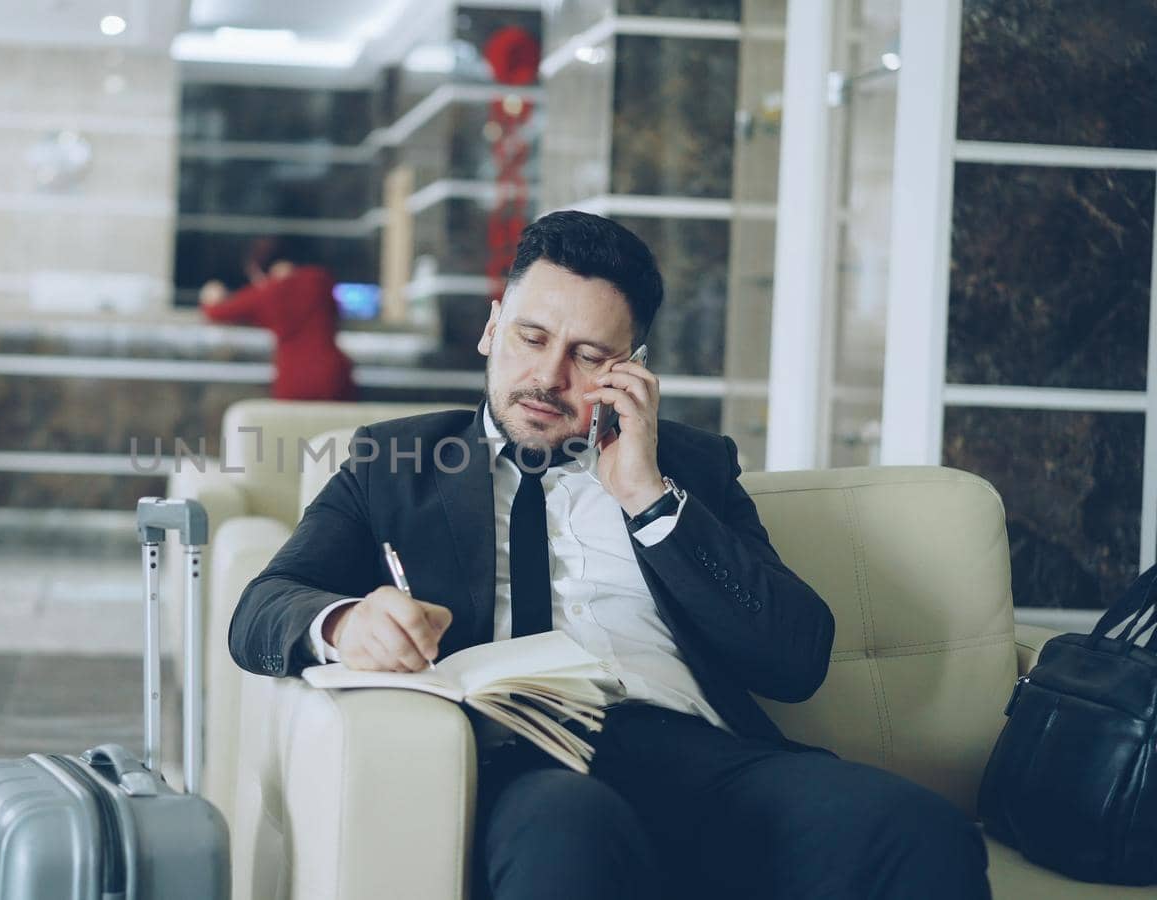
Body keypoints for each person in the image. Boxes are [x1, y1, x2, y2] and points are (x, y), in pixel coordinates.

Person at [228, 211, 990, 899]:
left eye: (589, 356)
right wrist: (344, 622)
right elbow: (262, 608)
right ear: (493, 328)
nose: (550, 377)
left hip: (702, 759)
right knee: (570, 832)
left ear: (631, 368)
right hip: (526, 766)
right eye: (532, 338)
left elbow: (795, 660)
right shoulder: (395, 461)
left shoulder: (688, 468)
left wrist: (649, 500)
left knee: (917, 831)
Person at [199, 239, 357, 401]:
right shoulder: (321, 279)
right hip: (335, 375)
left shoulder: (266, 294)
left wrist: (211, 296)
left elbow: (215, 312)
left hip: (294, 379)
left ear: (260, 270)